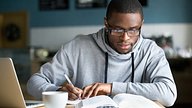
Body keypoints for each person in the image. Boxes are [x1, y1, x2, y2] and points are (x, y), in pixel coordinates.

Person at [27, 0, 177, 107]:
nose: (125, 38)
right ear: (106, 23)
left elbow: (169, 94)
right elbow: (34, 82)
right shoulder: (77, 47)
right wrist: (58, 91)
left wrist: (112, 87)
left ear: (141, 25)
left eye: (133, 30)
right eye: (117, 29)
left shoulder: (151, 51)